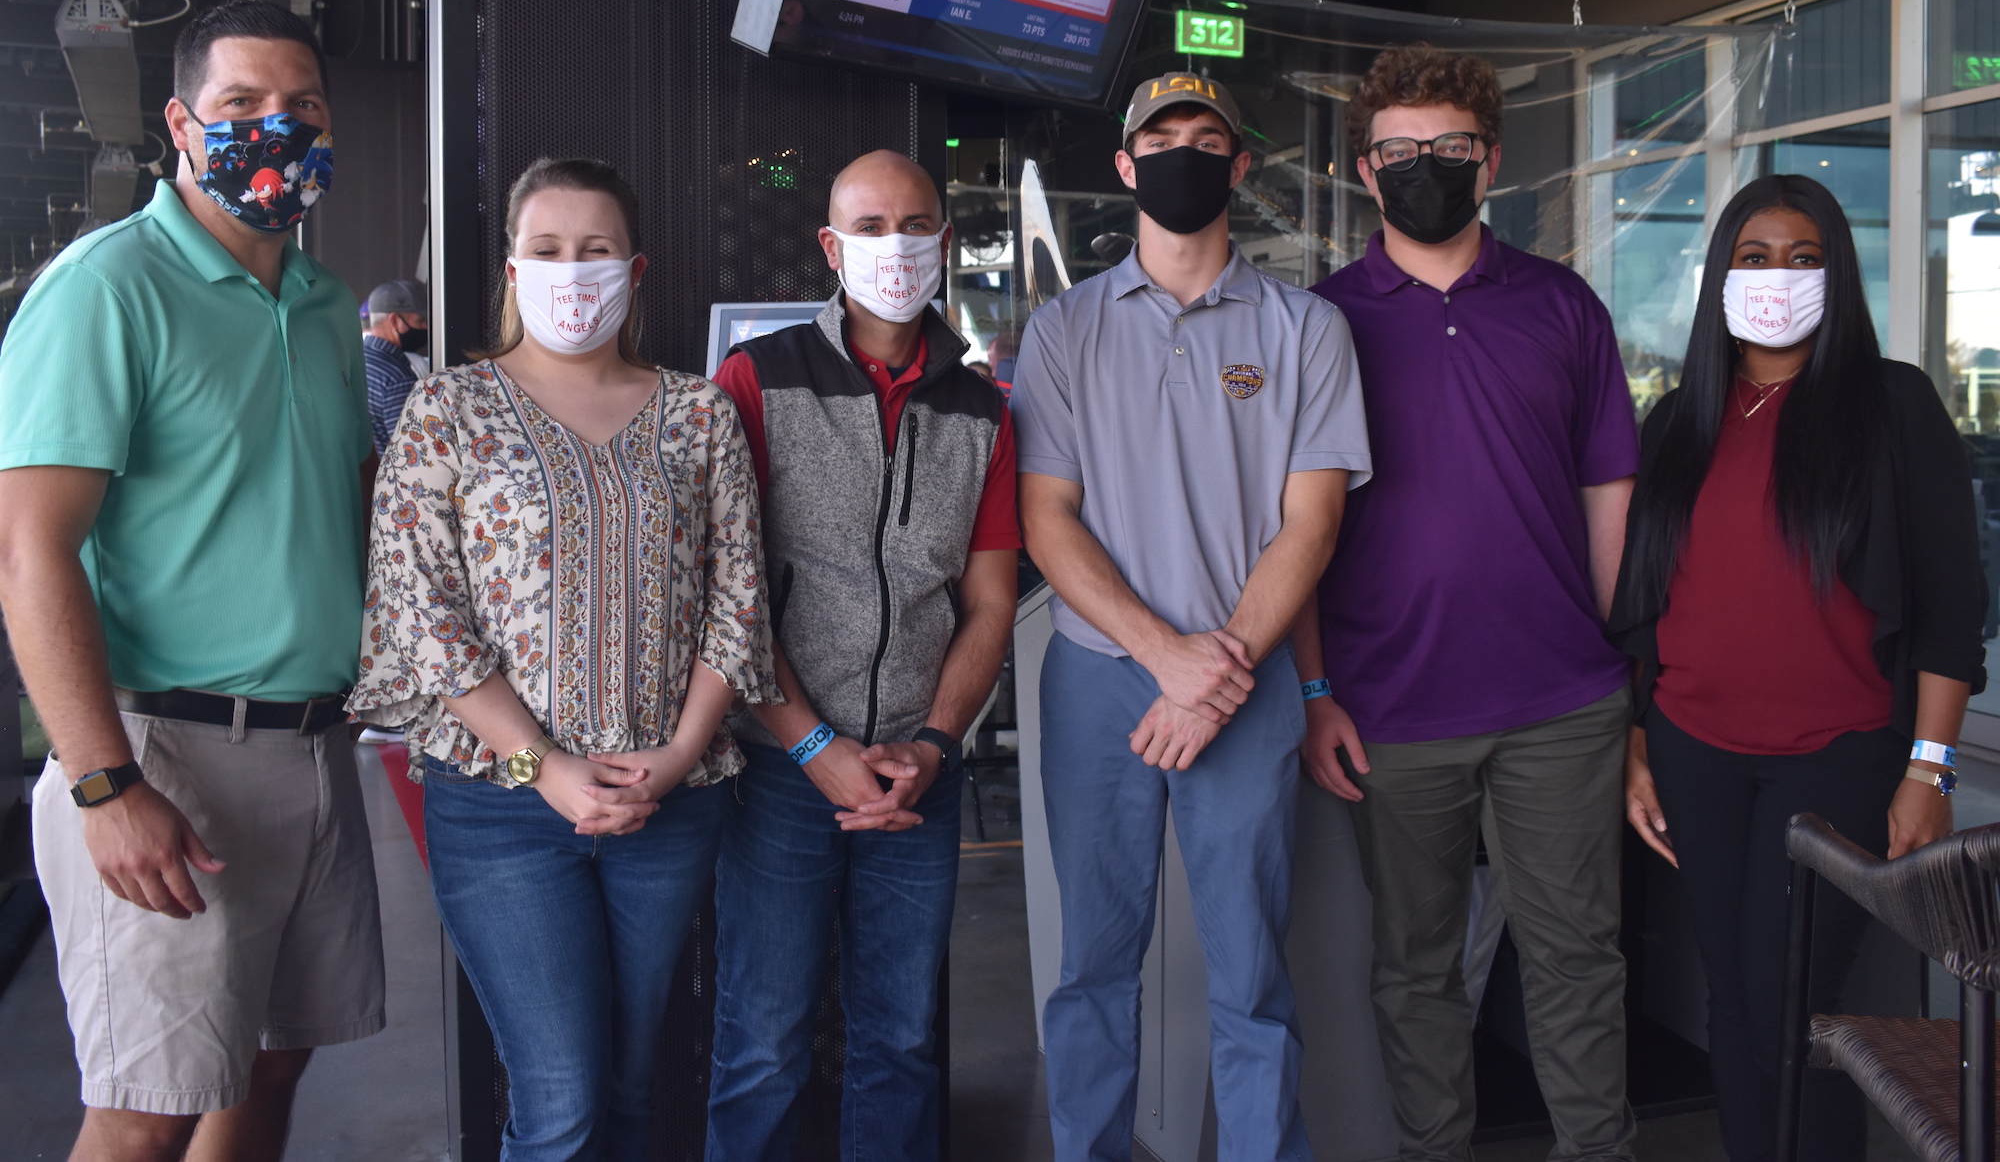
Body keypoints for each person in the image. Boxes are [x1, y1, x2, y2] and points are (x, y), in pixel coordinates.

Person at [0, 0, 379, 1161]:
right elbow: (28, 549)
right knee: (144, 1110)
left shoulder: (326, 307)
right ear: (180, 124)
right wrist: (102, 782)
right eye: (241, 103)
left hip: (315, 744)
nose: (277, 125)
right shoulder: (107, 287)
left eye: (301, 105)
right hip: (161, 749)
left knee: (270, 1062)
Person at [348, 158, 779, 1161]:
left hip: (666, 801)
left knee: (631, 1085)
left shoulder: (698, 412)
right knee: (563, 1101)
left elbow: (739, 597)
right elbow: (421, 605)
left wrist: (677, 757)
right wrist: (542, 765)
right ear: (512, 269)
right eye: (547, 250)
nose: (572, 271)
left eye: (595, 250)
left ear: (633, 269)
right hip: (500, 806)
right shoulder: (446, 408)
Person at [1013, 73, 1370, 1162]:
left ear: (1239, 166)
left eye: (1206, 140)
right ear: (1125, 165)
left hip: (1245, 679)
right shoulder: (1064, 328)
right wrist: (1165, 656)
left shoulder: (1305, 327)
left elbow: (1311, 526)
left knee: (1251, 971)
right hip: (1100, 677)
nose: (1182, 155)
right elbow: (1045, 518)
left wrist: (1214, 672)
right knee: (1091, 966)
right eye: (1159, 139)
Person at [1298, 44, 1641, 1162]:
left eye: (1448, 146)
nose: (1424, 168)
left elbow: (1608, 490)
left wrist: (1604, 656)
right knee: (1414, 967)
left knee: (1576, 958)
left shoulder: (1562, 305)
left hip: (1561, 706)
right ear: (1364, 171)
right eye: (1399, 151)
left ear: (1489, 161)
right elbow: (1292, 532)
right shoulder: (1316, 324)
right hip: (1389, 708)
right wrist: (1314, 688)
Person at [1612, 174, 1985, 1162]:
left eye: (1802, 257)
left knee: (1790, 1005)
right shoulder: (1678, 420)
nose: (1776, 276)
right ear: (1719, 276)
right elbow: (1650, 598)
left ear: (1837, 274)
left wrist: (1930, 767)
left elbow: (1950, 609)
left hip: (1836, 758)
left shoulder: (1893, 405)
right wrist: (1638, 740)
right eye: (1754, 257)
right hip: (1694, 752)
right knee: (1733, 1000)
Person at [706, 150, 1018, 1161]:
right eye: (870, 227)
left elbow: (988, 602)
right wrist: (811, 745)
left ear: (946, 241)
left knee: (902, 1037)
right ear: (831, 248)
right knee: (762, 1040)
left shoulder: (982, 411)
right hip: (777, 766)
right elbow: (729, 589)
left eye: (916, 224)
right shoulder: (758, 380)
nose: (896, 246)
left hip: (918, 772)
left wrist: (932, 746)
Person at [361, 278, 429, 454]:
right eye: (421, 321)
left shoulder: (360, 360)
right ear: (394, 321)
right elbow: (411, 452)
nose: (426, 327)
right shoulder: (397, 378)